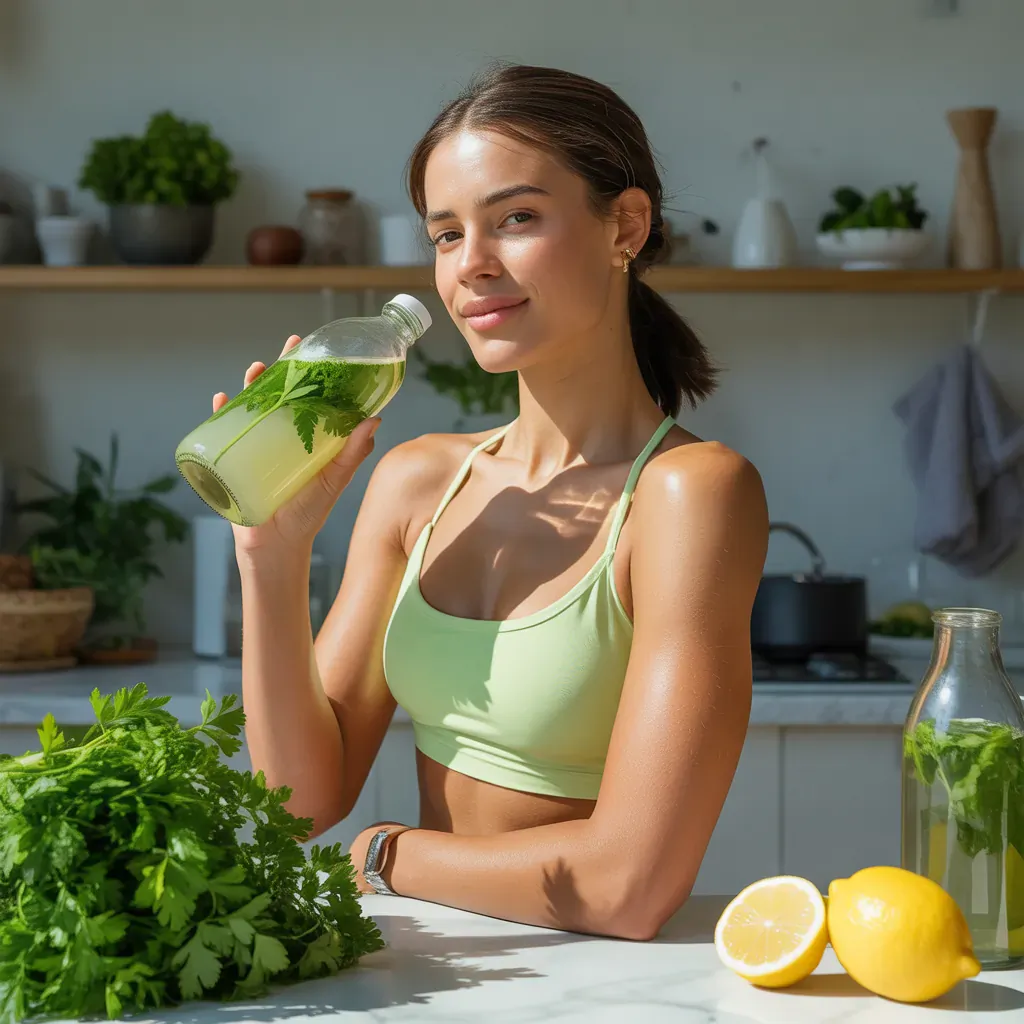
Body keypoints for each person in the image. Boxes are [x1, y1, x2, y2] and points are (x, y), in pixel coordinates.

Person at [216, 63, 769, 941]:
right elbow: (301, 802)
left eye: (516, 218)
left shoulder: (690, 496)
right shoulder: (418, 481)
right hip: (435, 965)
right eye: (444, 235)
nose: (470, 266)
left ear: (625, 225)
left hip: (602, 991)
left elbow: (629, 886)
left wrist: (385, 856)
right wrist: (270, 555)